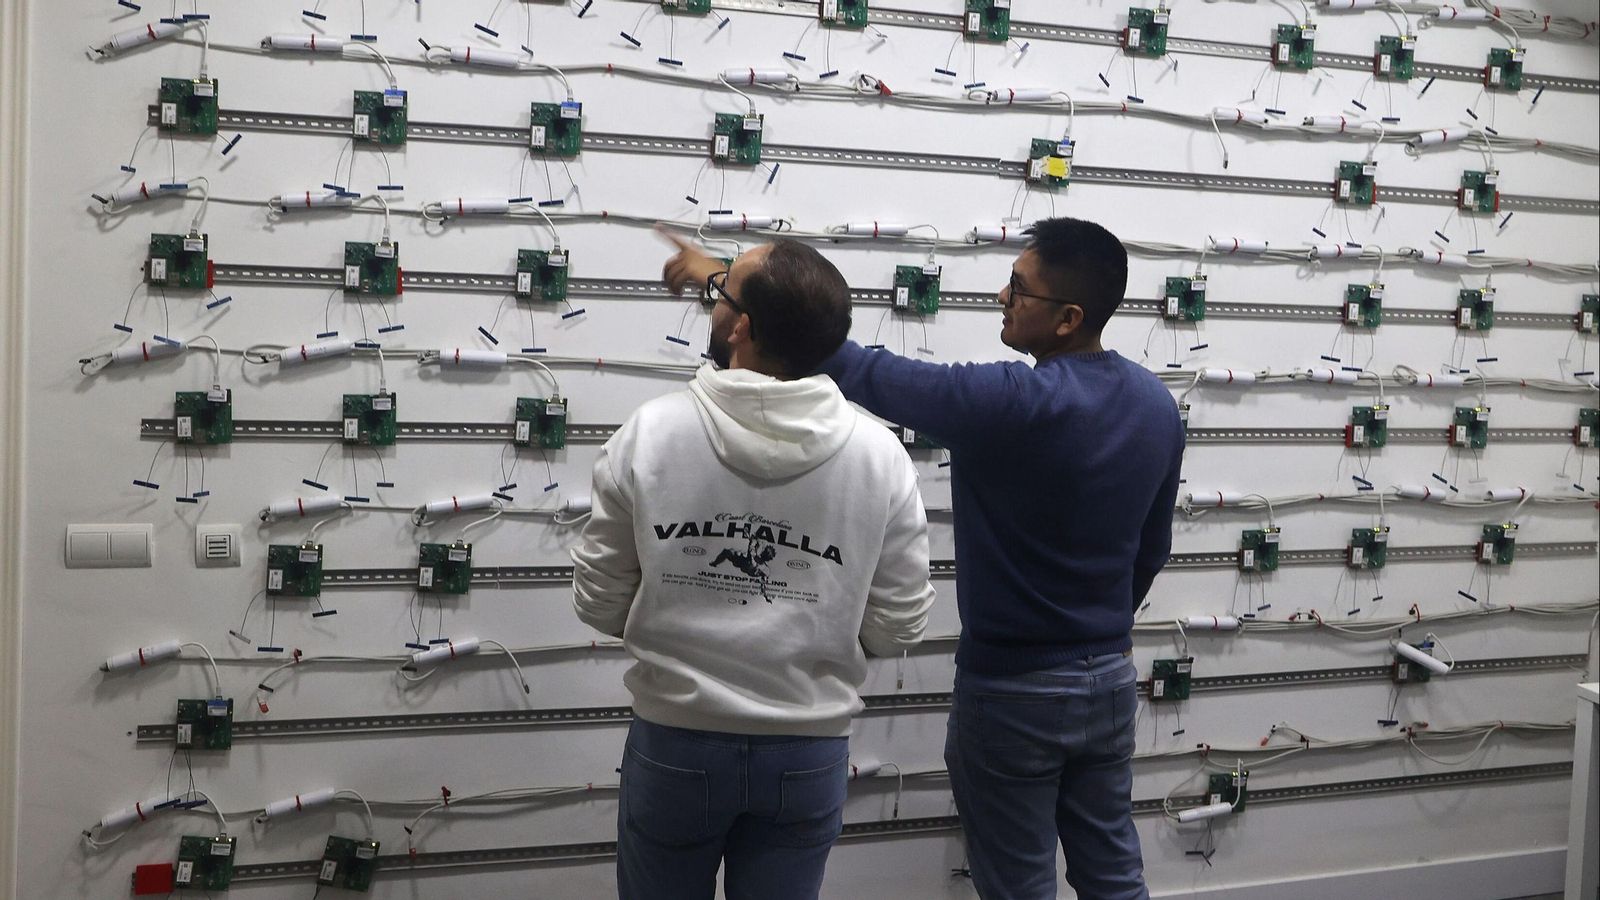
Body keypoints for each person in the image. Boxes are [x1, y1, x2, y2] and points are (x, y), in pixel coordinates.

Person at [816, 217, 1184, 900]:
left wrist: (780, 314)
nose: (1002, 298)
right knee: (1114, 875)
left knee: (1016, 885)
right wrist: (1091, 627)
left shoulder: (1015, 402)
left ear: (1069, 317)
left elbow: (872, 375)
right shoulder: (1157, 406)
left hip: (1014, 691)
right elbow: (1152, 551)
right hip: (1107, 679)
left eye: (1020, 288)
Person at [571, 228, 937, 900]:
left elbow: (598, 600)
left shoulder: (650, 433)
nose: (711, 302)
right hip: (807, 748)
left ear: (740, 327)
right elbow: (899, 623)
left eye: (719, 291)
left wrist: (683, 624)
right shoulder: (879, 456)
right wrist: (812, 631)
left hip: (677, 740)